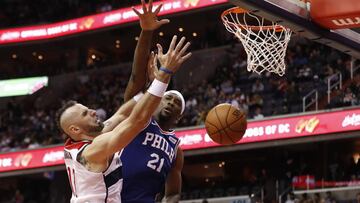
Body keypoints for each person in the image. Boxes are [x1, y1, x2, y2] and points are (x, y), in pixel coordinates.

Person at [57, 33, 192, 202]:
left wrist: (152, 85)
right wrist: (165, 73)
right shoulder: (92, 150)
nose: (93, 111)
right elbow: (136, 120)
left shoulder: (84, 141)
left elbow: (121, 114)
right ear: (75, 129)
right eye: (85, 113)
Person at [119, 2, 189, 202]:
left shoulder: (176, 148)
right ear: (156, 101)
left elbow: (174, 192)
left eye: (176, 103)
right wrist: (146, 33)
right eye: (167, 98)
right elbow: (136, 77)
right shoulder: (138, 117)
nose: (171, 103)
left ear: (180, 115)